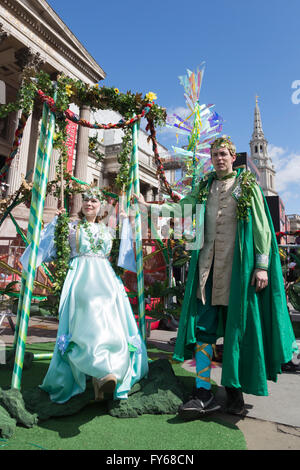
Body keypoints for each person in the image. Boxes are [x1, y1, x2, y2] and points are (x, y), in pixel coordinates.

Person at [136, 135, 297, 419]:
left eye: (224, 154)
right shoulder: (204, 186)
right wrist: (150, 207)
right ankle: (202, 388)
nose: (219, 158)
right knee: (205, 331)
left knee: (237, 331)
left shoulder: (247, 186)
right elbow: (181, 208)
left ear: (233, 157)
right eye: (215, 154)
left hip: (239, 271)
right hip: (208, 272)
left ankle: (234, 389)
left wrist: (261, 265)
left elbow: (261, 227)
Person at [21, 188, 148, 404]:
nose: (89, 204)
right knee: (89, 317)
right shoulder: (71, 227)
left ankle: (106, 375)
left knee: (111, 322)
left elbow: (130, 250)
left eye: (94, 201)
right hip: (80, 278)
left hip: (107, 280)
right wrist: (56, 222)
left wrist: (129, 223)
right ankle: (98, 370)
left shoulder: (109, 229)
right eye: (86, 200)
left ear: (101, 206)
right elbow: (48, 245)